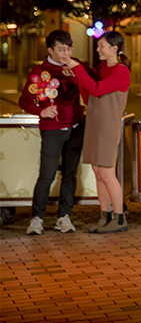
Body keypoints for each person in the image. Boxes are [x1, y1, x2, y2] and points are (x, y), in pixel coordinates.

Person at [20, 30, 86, 235]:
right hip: (52, 130)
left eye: (69, 48)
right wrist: (42, 111)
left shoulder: (75, 66)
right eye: (61, 49)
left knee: (70, 174)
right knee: (47, 174)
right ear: (50, 50)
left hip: (76, 126)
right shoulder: (40, 71)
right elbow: (24, 101)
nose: (66, 53)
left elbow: (93, 84)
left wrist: (78, 74)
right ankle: (37, 218)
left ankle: (63, 216)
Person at [64, 31, 131, 233]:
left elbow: (97, 90)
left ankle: (119, 218)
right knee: (98, 172)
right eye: (98, 45)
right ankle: (105, 215)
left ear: (114, 48)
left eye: (102, 45)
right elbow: (89, 94)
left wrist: (77, 68)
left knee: (107, 173)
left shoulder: (121, 71)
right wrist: (77, 76)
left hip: (107, 126)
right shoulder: (103, 70)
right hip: (94, 123)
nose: (98, 49)